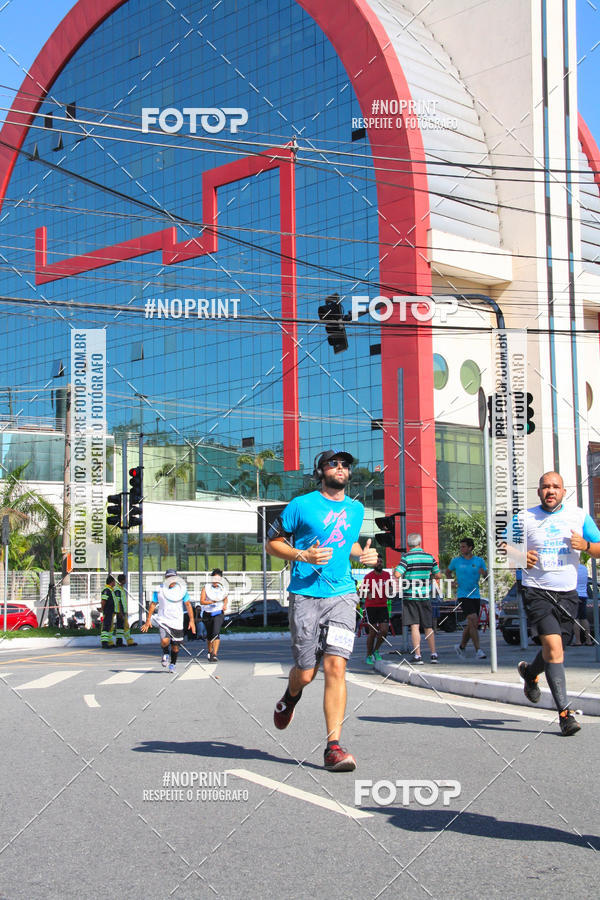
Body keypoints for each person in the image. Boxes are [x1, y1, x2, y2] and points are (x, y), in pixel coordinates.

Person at [266, 449, 378, 772]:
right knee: (306, 673)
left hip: (342, 595)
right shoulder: (301, 505)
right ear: (321, 471)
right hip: (305, 595)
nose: (340, 468)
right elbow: (272, 543)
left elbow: (348, 543)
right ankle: (290, 696)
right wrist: (303, 555)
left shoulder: (356, 509)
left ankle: (333, 748)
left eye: (345, 464)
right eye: (333, 463)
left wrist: (364, 555)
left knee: (335, 667)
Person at [516, 471, 600, 735]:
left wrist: (586, 545)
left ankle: (530, 673)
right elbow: (502, 548)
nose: (550, 491)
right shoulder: (524, 518)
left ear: (563, 491)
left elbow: (599, 547)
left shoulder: (579, 516)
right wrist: (519, 557)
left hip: (568, 594)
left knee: (556, 650)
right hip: (537, 591)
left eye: (555, 487)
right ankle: (565, 715)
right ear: (539, 491)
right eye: (545, 487)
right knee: (553, 648)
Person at [394, 533, 440, 664]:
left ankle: (418, 656)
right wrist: (429, 577)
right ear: (420, 543)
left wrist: (397, 572)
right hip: (425, 596)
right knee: (428, 626)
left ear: (409, 544)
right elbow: (438, 575)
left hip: (410, 596)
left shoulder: (406, 558)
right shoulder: (429, 557)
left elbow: (397, 574)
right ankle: (433, 654)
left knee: (415, 626)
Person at [141, 569, 195, 672]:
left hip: (177, 622)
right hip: (163, 620)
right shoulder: (159, 589)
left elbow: (188, 604)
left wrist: (192, 620)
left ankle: (173, 664)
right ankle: (165, 652)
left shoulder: (182, 590)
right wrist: (148, 620)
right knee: (164, 640)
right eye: (168, 577)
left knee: (175, 647)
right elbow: (153, 604)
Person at [446, 537, 487, 659]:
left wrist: (484, 573)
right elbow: (448, 572)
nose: (461, 549)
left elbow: (486, 577)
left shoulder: (479, 561)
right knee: (473, 619)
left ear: (470, 548)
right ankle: (478, 650)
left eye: (464, 546)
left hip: (475, 595)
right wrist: (451, 582)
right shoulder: (456, 561)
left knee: (472, 624)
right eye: (461, 547)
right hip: (463, 595)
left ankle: (461, 646)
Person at [360, 557, 392, 665]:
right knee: (373, 632)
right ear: (374, 564)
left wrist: (390, 592)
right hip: (371, 607)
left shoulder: (387, 575)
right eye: (377, 562)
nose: (379, 563)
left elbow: (390, 588)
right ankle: (369, 654)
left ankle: (376, 650)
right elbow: (361, 592)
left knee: (384, 630)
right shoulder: (368, 577)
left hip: (383, 606)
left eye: (381, 562)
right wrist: (367, 594)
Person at [200, 568, 229, 661]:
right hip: (208, 613)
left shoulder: (222, 588)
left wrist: (224, 605)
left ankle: (215, 654)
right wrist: (211, 602)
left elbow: (225, 599)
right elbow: (202, 601)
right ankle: (209, 651)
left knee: (216, 633)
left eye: (218, 579)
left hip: (218, 613)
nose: (216, 581)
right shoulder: (206, 588)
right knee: (209, 635)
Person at [113, 574, 137, 647]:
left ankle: (121, 641)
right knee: (124, 626)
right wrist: (120, 612)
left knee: (121, 627)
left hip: (123, 611)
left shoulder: (121, 588)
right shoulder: (118, 589)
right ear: (123, 580)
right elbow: (118, 602)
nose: (126, 580)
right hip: (121, 611)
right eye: (125, 579)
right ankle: (127, 641)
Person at [573, 562, 593, 646]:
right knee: (583, 618)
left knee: (575, 618)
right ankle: (588, 640)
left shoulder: (573, 567)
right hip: (584, 595)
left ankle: (578, 641)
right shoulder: (584, 568)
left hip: (574, 594)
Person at [100, 575, 116, 648]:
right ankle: (104, 643)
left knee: (109, 627)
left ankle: (108, 642)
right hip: (107, 611)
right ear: (111, 582)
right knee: (106, 627)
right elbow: (103, 601)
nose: (115, 583)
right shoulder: (106, 590)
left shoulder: (110, 590)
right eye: (114, 582)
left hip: (110, 611)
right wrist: (102, 609)